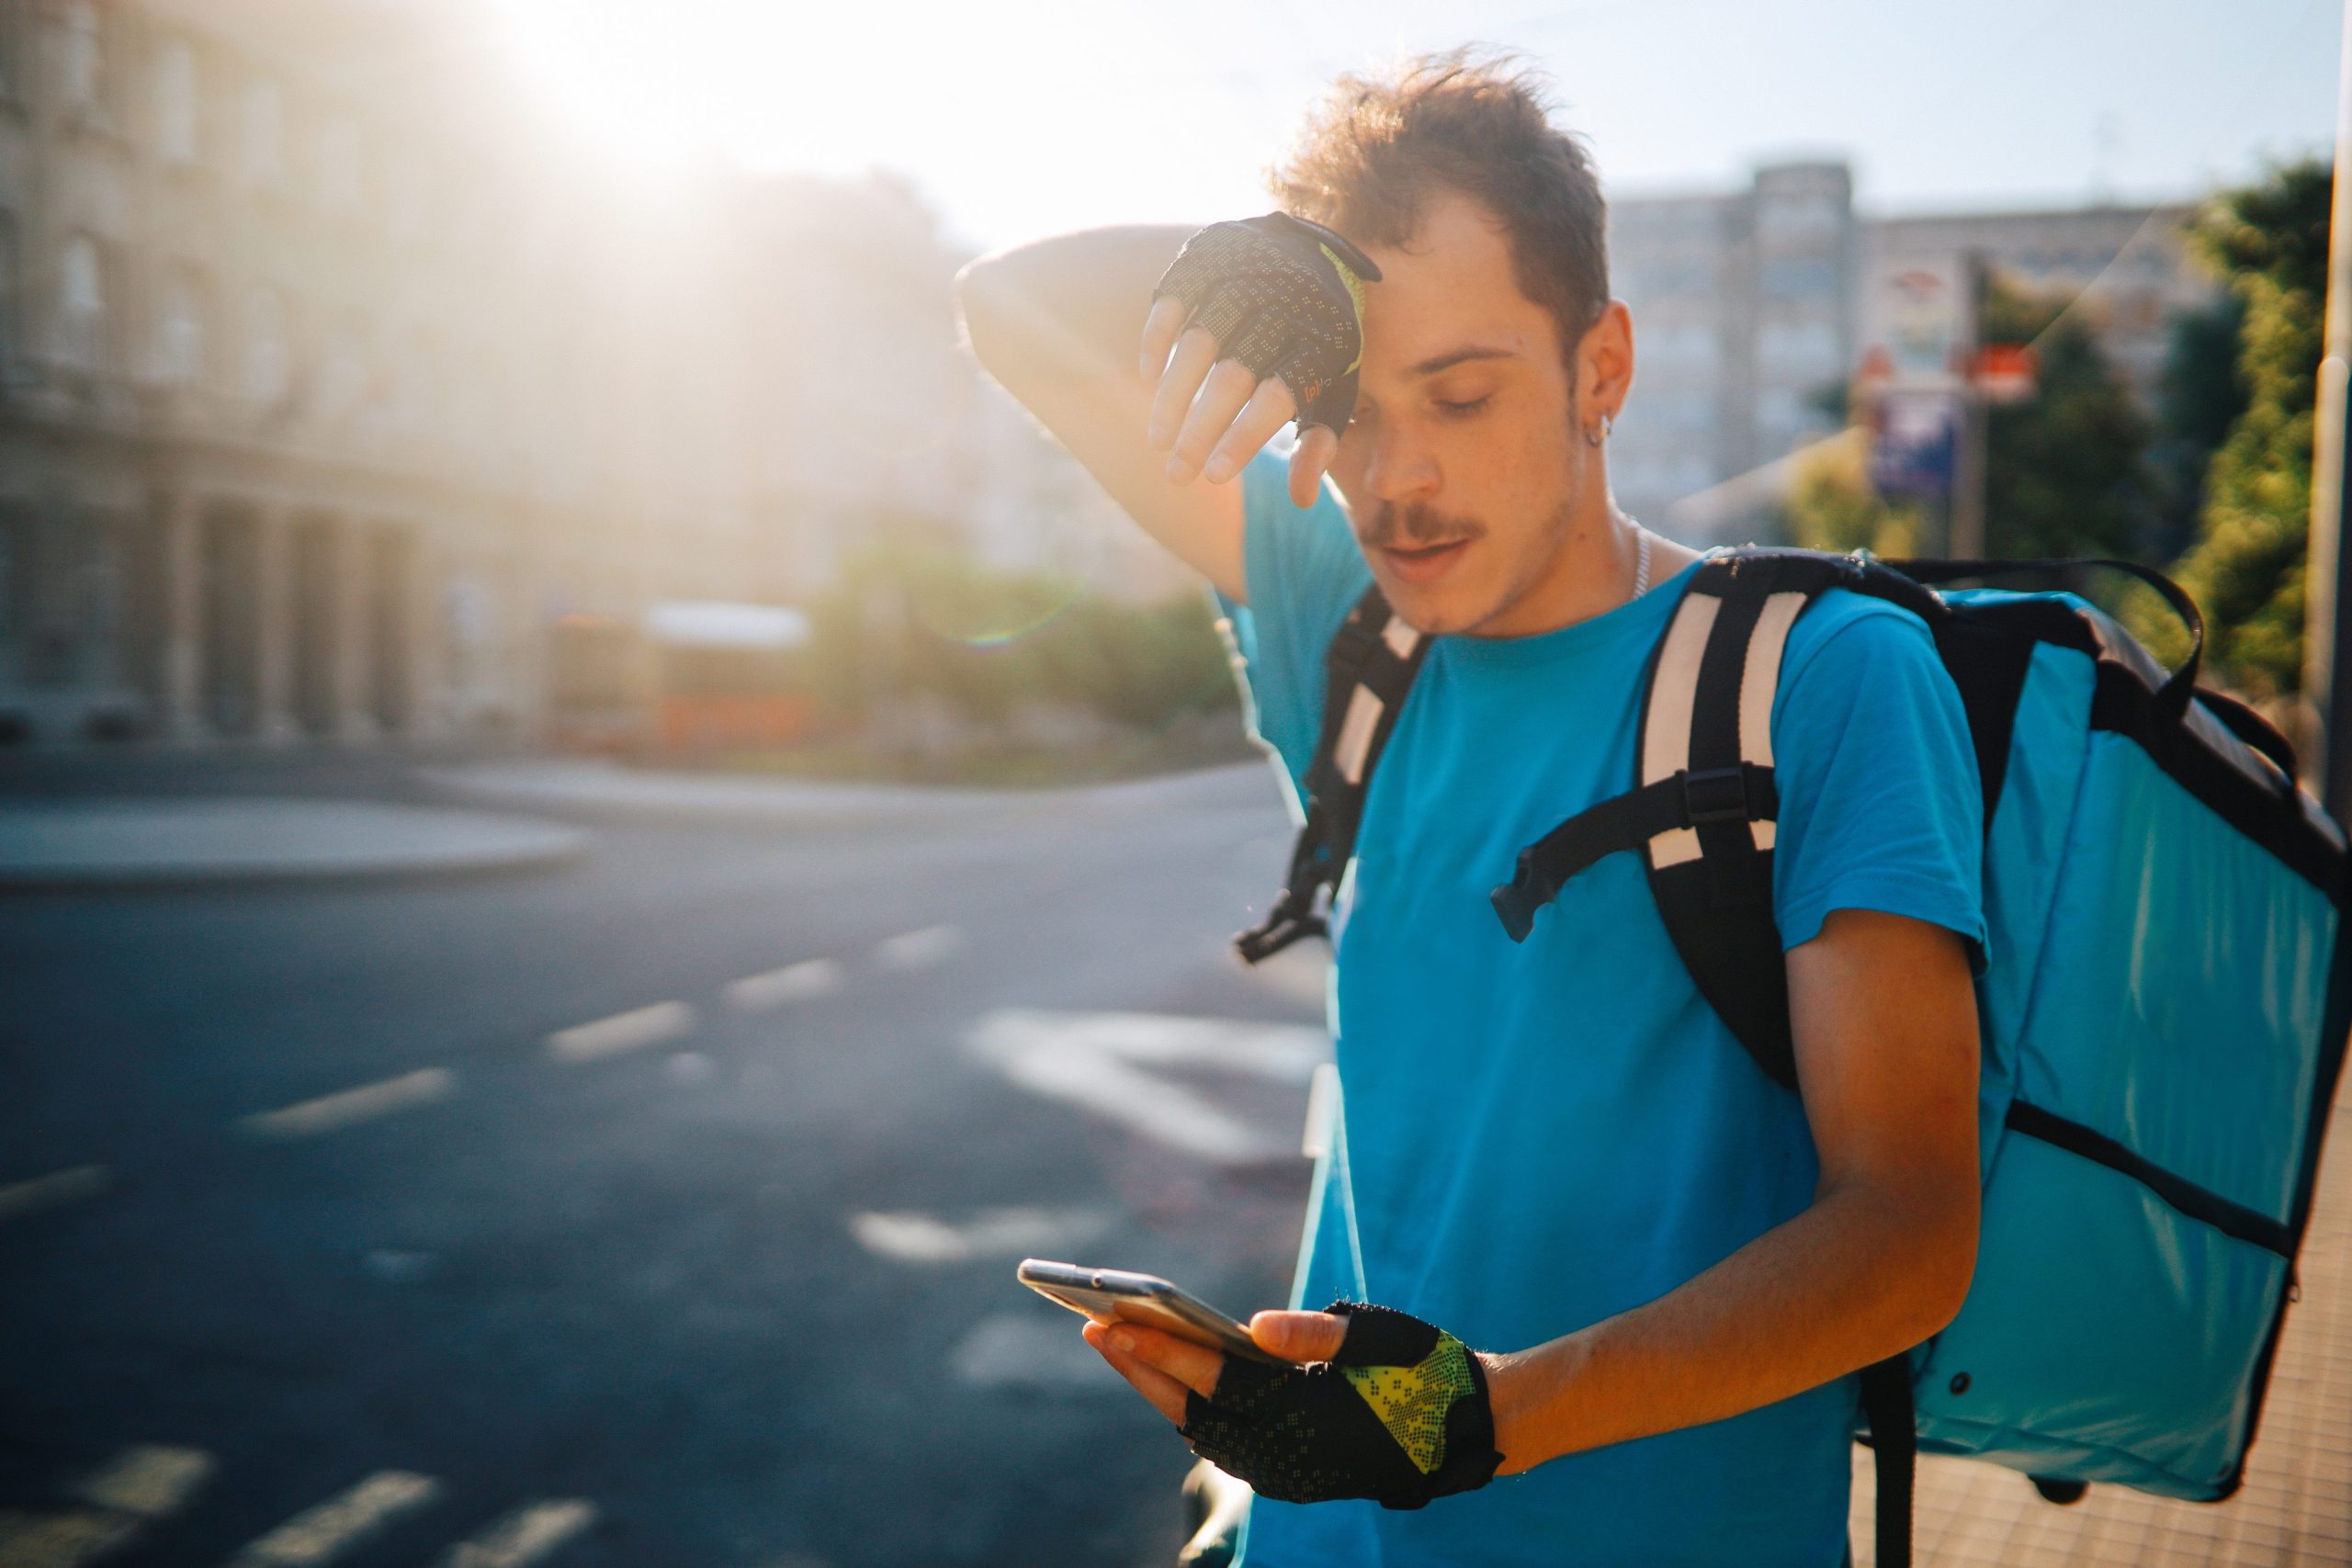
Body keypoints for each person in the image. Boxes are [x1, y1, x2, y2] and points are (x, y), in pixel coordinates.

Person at [956, 48, 1984, 1568]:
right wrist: (1258, 265)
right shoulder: (1350, 619)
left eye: (1461, 391)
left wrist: (1482, 1417)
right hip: (1315, 1539)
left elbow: (1905, 1232)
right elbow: (1011, 306)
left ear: (1603, 370)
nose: (1400, 477)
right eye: (1350, 411)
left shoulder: (1823, 675)